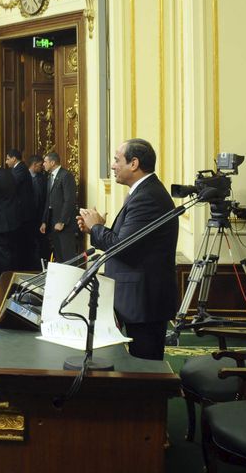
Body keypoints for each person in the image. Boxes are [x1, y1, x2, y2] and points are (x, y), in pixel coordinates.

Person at [78, 139, 177, 360]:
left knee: (145, 370)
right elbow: (128, 240)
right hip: (136, 297)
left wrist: (96, 227)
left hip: (143, 301)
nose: (113, 166)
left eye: (116, 160)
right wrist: (95, 229)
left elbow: (123, 247)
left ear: (134, 163)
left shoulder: (148, 197)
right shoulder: (143, 191)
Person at [41, 152, 79, 262]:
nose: (43, 164)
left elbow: (69, 200)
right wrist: (44, 221)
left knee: (68, 256)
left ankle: (71, 279)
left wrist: (62, 221)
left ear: (52, 163)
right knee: (59, 256)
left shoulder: (66, 175)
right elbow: (48, 200)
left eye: (45, 162)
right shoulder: (50, 177)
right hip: (53, 223)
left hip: (65, 225)